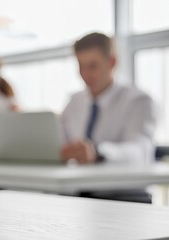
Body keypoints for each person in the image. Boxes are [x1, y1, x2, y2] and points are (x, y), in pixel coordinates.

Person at [60, 33, 156, 202]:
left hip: (124, 197)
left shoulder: (138, 101)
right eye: (81, 66)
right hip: (81, 194)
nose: (86, 74)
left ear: (112, 62)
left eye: (93, 66)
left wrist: (98, 152)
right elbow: (60, 141)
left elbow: (138, 152)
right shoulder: (74, 101)